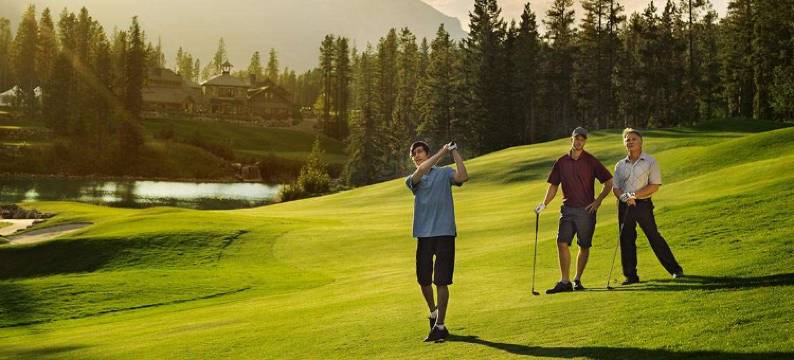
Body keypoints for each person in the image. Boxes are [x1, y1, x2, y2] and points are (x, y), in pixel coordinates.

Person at [536, 127, 613, 294]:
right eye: (576, 138)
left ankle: (577, 279)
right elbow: (553, 186)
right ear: (571, 139)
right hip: (568, 209)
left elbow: (609, 182)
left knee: (584, 246)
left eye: (582, 139)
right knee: (561, 242)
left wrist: (598, 201)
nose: (579, 141)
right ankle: (565, 281)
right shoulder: (561, 162)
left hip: (587, 211)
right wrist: (544, 204)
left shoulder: (591, 161)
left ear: (585, 141)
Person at [406, 140, 468, 342]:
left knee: (441, 280)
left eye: (420, 151)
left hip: (444, 233)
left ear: (427, 152)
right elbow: (423, 169)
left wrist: (454, 153)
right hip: (424, 235)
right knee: (423, 280)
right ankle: (433, 312)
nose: (417, 156)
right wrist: (443, 151)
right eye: (414, 154)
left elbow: (463, 176)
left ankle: (440, 325)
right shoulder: (413, 179)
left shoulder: (444, 173)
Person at [612, 128, 684, 285]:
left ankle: (675, 270)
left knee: (653, 236)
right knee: (626, 239)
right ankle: (631, 277)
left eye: (633, 139)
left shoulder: (650, 161)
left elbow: (654, 186)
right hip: (625, 207)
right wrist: (625, 197)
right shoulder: (620, 165)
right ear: (624, 143)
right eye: (627, 139)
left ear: (641, 142)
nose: (630, 142)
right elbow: (615, 187)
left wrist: (633, 196)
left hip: (643, 205)